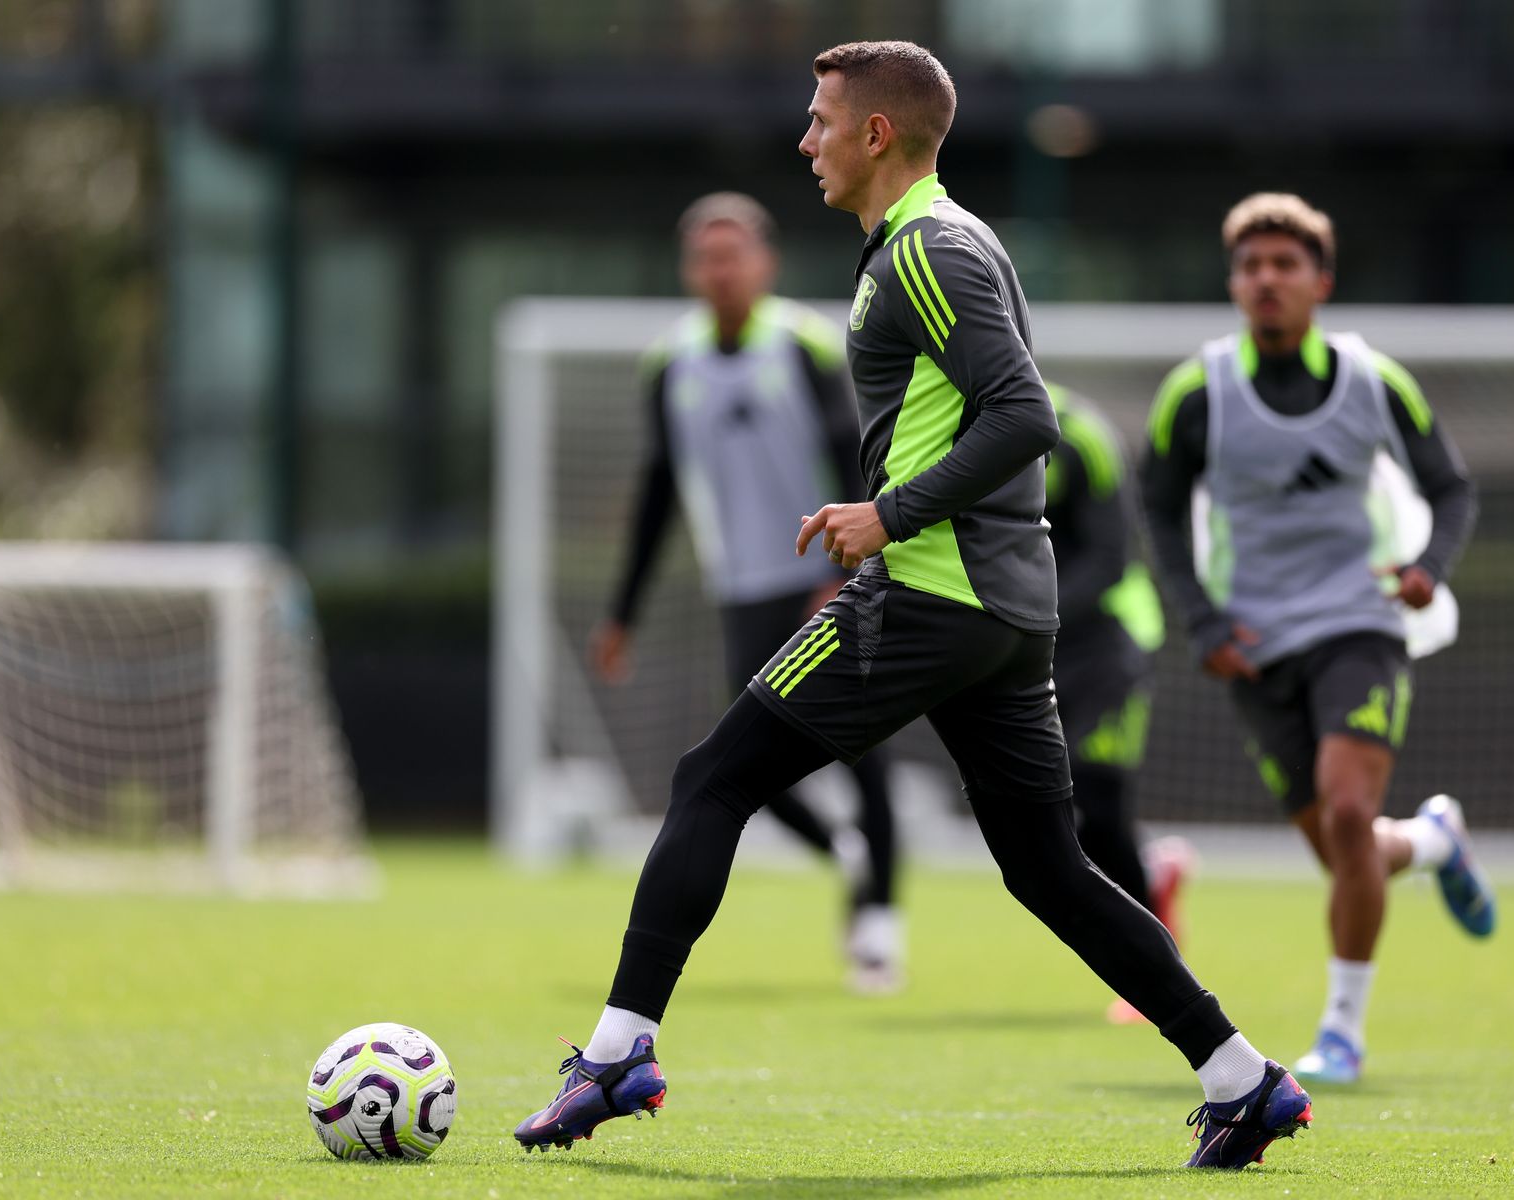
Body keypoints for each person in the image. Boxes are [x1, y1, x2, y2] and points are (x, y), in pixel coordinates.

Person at [514, 42, 1311, 1171]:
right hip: (996, 612)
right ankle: (1244, 1080)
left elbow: (1024, 413)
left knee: (712, 779)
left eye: (820, 120)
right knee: (1047, 869)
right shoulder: (930, 243)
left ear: (876, 133)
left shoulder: (928, 248)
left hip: (931, 596)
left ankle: (614, 1054)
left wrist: (888, 516)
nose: (806, 141)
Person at [1141, 193, 1496, 1086]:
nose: (1266, 279)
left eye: (1284, 265)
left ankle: (1341, 1032)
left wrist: (1426, 567)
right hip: (1254, 645)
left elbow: (1451, 489)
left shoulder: (1374, 382)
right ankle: (1436, 841)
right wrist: (1202, 621)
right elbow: (1155, 507)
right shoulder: (1196, 392)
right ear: (1234, 282)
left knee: (1345, 816)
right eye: (1251, 266)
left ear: (1320, 282)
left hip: (1360, 625)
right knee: (1350, 852)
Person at [590, 192, 903, 990]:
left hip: (822, 578)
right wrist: (622, 613)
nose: (721, 270)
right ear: (690, 269)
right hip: (742, 589)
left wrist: (844, 571)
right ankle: (846, 855)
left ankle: (877, 924)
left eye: (735, 254)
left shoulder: (804, 346)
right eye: (706, 256)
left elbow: (856, 458)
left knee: (863, 746)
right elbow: (660, 489)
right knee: (747, 760)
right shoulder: (670, 362)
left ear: (766, 263)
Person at [1042, 382, 1197, 1024]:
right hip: (1032, 645)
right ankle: (1152, 877)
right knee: (1050, 810)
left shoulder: (1079, 436)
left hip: (1108, 639)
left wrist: (1024, 609)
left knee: (1100, 802)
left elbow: (1110, 561)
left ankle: (1149, 973)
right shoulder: (954, 431)